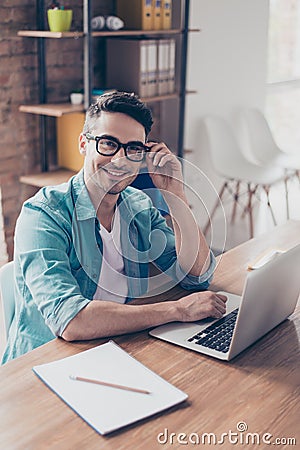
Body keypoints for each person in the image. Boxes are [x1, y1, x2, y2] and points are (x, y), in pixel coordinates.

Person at [2, 91, 227, 364]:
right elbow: (71, 320)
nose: (120, 159)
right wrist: (176, 310)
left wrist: (175, 193)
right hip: (47, 365)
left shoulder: (138, 206)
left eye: (133, 149)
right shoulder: (43, 215)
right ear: (84, 144)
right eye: (109, 144)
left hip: (119, 346)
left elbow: (196, 276)